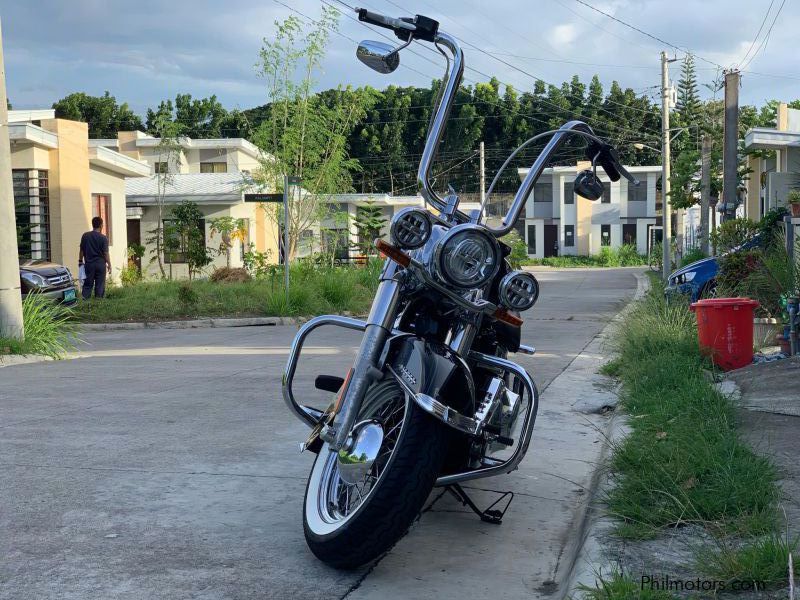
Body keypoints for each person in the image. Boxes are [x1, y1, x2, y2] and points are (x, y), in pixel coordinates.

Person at [79, 217, 111, 299]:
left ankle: (85, 303)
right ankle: (98, 303)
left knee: (87, 285)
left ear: (92, 224)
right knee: (100, 285)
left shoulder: (85, 236)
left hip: (89, 264)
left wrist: (80, 261)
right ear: (101, 225)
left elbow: (81, 250)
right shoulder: (104, 238)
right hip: (100, 265)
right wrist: (109, 264)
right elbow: (106, 253)